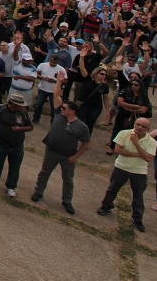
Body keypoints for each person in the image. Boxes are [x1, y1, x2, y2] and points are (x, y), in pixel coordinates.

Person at [30, 74, 91, 215]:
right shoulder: (58, 114)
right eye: (62, 107)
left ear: (72, 111)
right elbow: (56, 95)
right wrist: (59, 81)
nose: (61, 109)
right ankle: (38, 192)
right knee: (44, 173)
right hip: (51, 151)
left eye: (64, 108)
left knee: (68, 180)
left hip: (68, 156)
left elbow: (86, 143)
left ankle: (67, 201)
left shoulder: (82, 127)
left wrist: (75, 157)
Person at [97, 117, 156, 232]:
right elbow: (118, 150)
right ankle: (106, 206)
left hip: (139, 171)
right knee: (112, 188)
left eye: (143, 126)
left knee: (138, 196)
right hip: (121, 167)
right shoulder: (124, 133)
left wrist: (136, 144)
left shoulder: (152, 142)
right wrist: (138, 154)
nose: (139, 128)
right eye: (138, 124)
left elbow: (148, 158)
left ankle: (137, 218)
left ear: (148, 129)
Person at [0, 93, 34, 197]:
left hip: (17, 145)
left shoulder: (23, 112)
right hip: (2, 144)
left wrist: (21, 129)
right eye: (19, 105)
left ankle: (11, 186)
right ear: (11, 104)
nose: (21, 107)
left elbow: (30, 126)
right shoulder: (0, 109)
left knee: (15, 166)